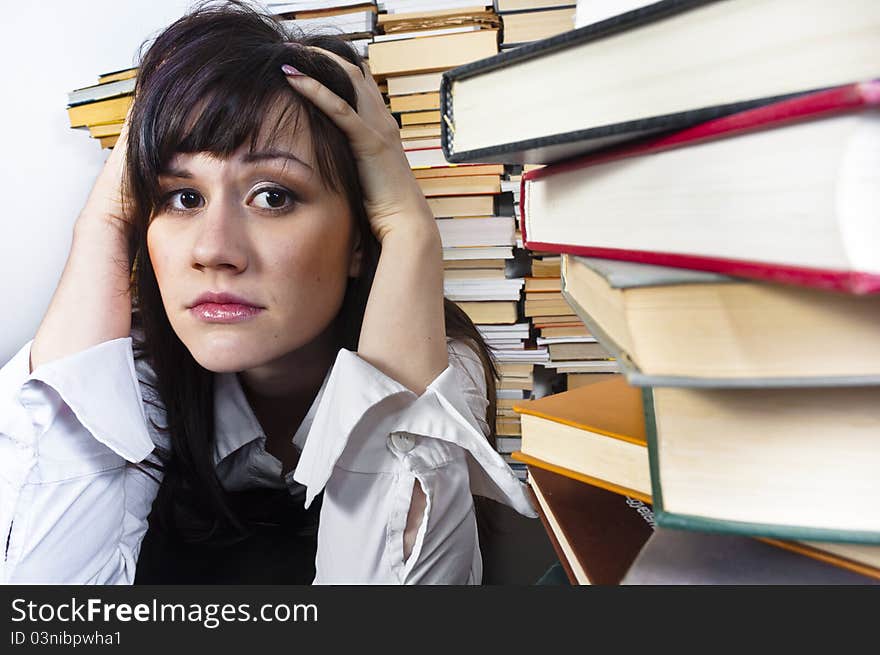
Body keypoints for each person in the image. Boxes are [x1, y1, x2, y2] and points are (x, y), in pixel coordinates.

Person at [0, 0, 537, 585]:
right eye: (182, 196)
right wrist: (101, 224)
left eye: (273, 196)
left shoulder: (432, 363)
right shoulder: (133, 364)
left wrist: (409, 231)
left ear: (361, 237)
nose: (213, 250)